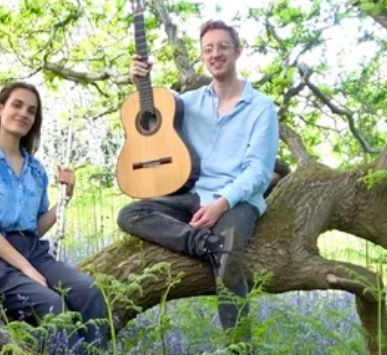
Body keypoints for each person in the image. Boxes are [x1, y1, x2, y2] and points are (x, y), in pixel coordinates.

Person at [117, 20, 279, 337]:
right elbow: (151, 113)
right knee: (131, 213)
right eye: (208, 49)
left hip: (237, 200)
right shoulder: (190, 102)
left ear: (237, 51)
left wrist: (221, 204)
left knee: (229, 263)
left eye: (222, 46)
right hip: (195, 195)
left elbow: (259, 171)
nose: (215, 53)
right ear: (203, 55)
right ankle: (205, 244)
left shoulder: (261, 107)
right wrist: (139, 81)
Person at [0, 81, 108, 355]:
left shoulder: (36, 170)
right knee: (54, 305)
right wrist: (26, 269)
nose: (23, 114)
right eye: (17, 105)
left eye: (31, 110)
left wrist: (65, 198)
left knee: (90, 293)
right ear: (0, 109)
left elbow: (36, 226)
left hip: (33, 251)